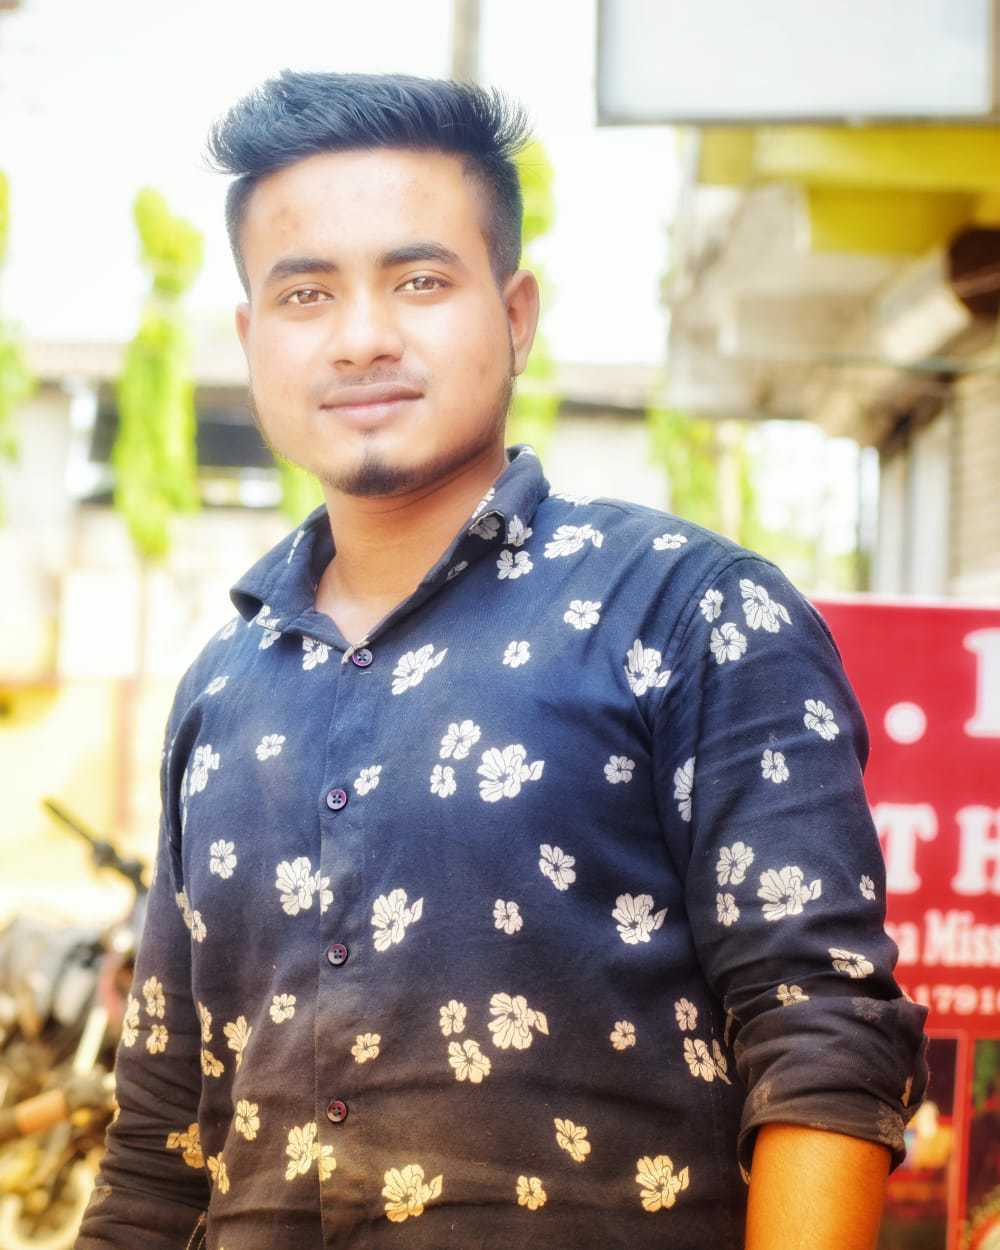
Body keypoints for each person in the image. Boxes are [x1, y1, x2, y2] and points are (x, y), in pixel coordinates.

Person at [75, 70, 930, 1250]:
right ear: (251, 336)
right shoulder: (223, 685)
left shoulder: (688, 614)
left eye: (420, 281)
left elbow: (821, 1035)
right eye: (305, 293)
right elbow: (162, 1138)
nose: (362, 337)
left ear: (516, 314)